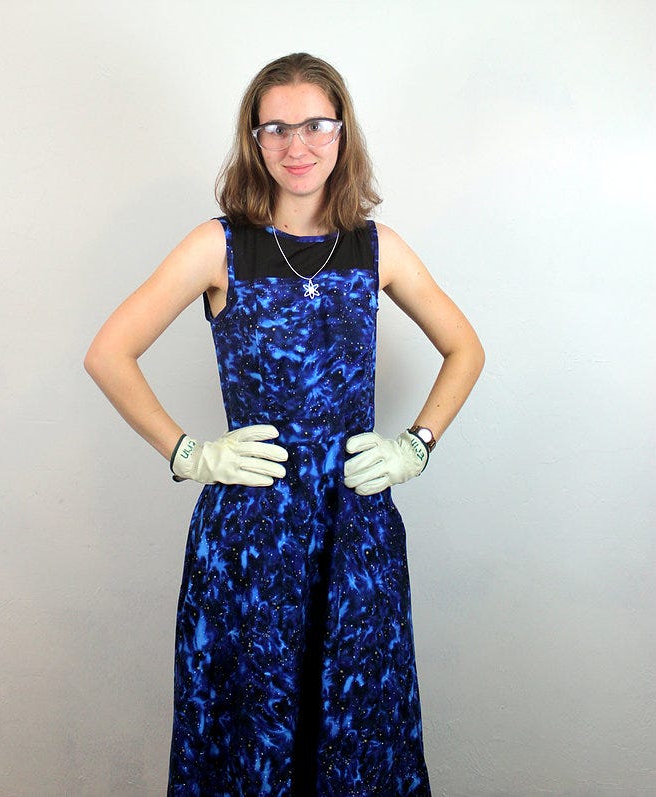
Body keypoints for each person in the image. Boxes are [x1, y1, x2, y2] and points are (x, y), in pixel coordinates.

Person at [85, 52, 484, 797]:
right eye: (275, 128)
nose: (296, 145)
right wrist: (189, 453)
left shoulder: (377, 248)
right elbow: (108, 353)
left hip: (352, 532)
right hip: (251, 535)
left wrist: (416, 445)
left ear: (342, 132)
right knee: (249, 735)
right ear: (254, 139)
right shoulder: (218, 246)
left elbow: (466, 348)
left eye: (314, 125)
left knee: (359, 730)